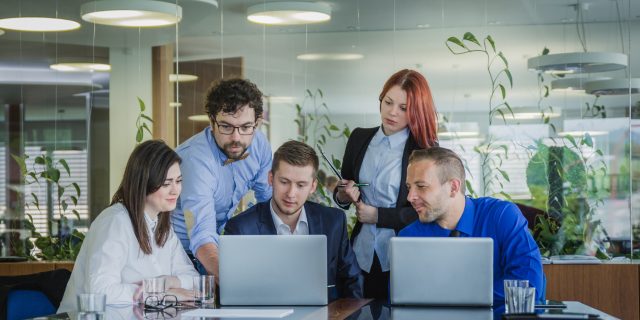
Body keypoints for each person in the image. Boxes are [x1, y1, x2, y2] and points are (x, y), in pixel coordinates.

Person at [58, 140, 199, 312]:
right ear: (144, 182)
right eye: (166, 183)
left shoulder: (163, 227)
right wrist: (159, 294)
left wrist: (168, 282)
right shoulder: (115, 221)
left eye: (178, 181)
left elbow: (195, 280)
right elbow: (100, 292)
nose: (175, 190)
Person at [334, 69, 438, 299]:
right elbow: (344, 187)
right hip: (360, 253)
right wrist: (343, 195)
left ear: (416, 112)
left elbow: (430, 212)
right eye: (388, 102)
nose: (392, 112)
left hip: (402, 255)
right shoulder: (359, 138)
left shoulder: (424, 151)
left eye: (404, 108)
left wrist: (379, 216)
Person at [400, 147, 546, 302]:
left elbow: (529, 286)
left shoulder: (502, 217)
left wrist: (451, 295)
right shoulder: (409, 237)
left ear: (453, 187)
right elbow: (401, 298)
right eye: (409, 187)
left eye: (421, 186)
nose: (410, 197)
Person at [224, 141, 363, 300]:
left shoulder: (333, 222)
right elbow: (235, 293)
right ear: (271, 178)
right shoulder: (240, 229)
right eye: (284, 182)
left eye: (301, 185)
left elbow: (353, 282)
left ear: (312, 186)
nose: (291, 193)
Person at [171, 78, 272, 278]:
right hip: (180, 254)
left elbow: (268, 203)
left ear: (257, 123)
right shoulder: (196, 161)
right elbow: (201, 234)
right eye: (226, 126)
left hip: (217, 246)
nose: (236, 138)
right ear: (211, 122)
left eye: (245, 127)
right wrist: (232, 282)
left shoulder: (259, 145)